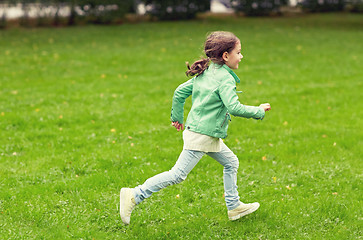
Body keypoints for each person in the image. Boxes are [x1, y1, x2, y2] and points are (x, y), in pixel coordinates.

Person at [120, 31, 271, 225]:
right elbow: (234, 107)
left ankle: (234, 207)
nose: (241, 56)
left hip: (203, 133)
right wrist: (258, 111)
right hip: (202, 135)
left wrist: (176, 117)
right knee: (177, 175)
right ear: (225, 56)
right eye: (239, 52)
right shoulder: (225, 78)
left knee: (231, 162)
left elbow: (179, 92)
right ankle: (134, 195)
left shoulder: (207, 72)